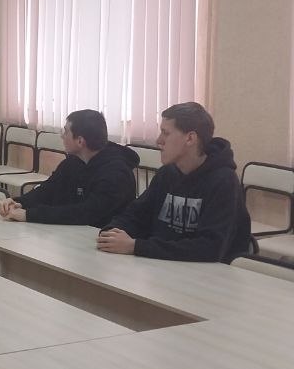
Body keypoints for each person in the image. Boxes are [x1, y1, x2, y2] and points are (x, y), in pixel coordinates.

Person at [97, 102, 252, 262]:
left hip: (207, 272)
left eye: (166, 133)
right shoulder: (167, 173)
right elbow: (135, 214)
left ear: (190, 138)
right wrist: (111, 232)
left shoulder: (224, 181)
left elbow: (210, 247)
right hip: (163, 264)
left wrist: (137, 246)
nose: (159, 140)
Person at [0, 109, 139, 227]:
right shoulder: (74, 161)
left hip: (101, 238)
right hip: (73, 232)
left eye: (65, 132)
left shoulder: (116, 173)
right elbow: (48, 189)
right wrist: (18, 202)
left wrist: (29, 215)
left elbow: (86, 213)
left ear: (80, 141)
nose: (62, 136)